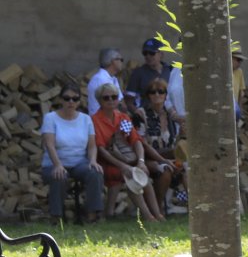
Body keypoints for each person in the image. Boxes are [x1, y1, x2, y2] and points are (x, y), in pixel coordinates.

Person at [92, 83, 164, 221]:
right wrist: (123, 166)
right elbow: (101, 150)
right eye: (106, 98)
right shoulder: (95, 120)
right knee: (132, 176)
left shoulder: (123, 117)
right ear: (99, 100)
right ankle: (147, 216)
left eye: (114, 97)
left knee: (141, 173)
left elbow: (136, 141)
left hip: (127, 159)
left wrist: (141, 161)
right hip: (107, 163)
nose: (111, 100)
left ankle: (158, 214)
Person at [40, 85, 104, 223]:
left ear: (79, 102)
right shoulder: (50, 118)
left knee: (95, 173)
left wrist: (93, 160)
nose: (71, 102)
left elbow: (92, 146)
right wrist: (57, 165)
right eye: (67, 98)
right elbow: (49, 145)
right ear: (60, 100)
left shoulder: (86, 119)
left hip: (79, 163)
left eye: (75, 99)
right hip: (54, 162)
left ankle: (92, 215)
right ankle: (56, 217)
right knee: (59, 176)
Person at [139, 79, 188, 214]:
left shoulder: (169, 115)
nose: (157, 95)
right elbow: (141, 143)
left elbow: (174, 143)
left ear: (166, 95)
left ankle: (193, 205)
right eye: (153, 92)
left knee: (185, 165)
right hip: (148, 157)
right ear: (148, 95)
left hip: (168, 155)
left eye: (161, 91)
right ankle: (159, 207)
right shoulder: (140, 114)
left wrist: (181, 135)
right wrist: (164, 159)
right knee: (166, 168)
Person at [124, 38, 176, 118]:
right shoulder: (138, 73)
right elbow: (129, 101)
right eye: (145, 53)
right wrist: (138, 113)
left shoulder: (171, 70)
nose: (148, 56)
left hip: (170, 116)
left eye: (152, 53)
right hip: (148, 117)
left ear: (161, 54)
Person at [87, 48, 125, 116]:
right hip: (100, 119)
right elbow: (114, 104)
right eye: (121, 59)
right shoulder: (100, 79)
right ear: (112, 61)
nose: (122, 62)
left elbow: (121, 102)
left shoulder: (113, 78)